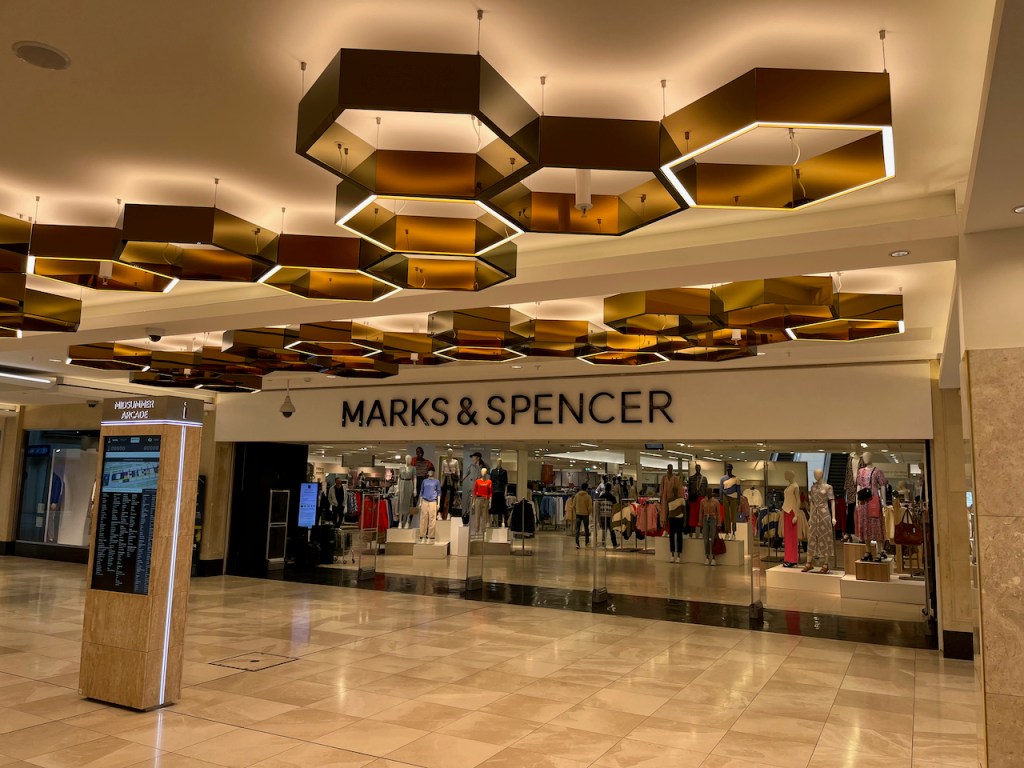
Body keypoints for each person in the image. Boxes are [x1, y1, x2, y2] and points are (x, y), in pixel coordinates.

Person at [660, 464, 685, 562]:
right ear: (667, 469)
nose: (670, 469)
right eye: (668, 468)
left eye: (671, 468)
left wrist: (678, 498)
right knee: (665, 514)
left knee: (671, 515)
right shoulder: (664, 478)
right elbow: (661, 489)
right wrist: (661, 497)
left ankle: (678, 554)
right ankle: (665, 529)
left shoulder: (675, 478)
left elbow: (678, 489)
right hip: (666, 499)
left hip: (673, 500)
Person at [418, 468, 440, 543]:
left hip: (433, 501)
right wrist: (420, 502)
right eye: (429, 471)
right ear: (427, 472)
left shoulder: (437, 481)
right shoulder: (424, 481)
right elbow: (421, 491)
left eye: (432, 471)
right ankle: (422, 536)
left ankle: (430, 536)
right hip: (424, 501)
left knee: (432, 519)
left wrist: (438, 503)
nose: (430, 472)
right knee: (423, 518)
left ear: (433, 472)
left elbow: (439, 493)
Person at [700, 486, 720, 566]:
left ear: (711, 492)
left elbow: (718, 513)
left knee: (713, 538)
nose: (708, 493)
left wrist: (718, 523)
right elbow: (700, 512)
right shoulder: (702, 501)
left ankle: (714, 557)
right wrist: (700, 522)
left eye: (709, 491)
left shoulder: (716, 502)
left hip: (713, 519)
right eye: (707, 491)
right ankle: (707, 557)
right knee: (705, 539)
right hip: (705, 519)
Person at [573, 482, 593, 549]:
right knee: (586, 528)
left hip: (578, 514)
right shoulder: (588, 496)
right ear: (586, 488)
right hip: (585, 514)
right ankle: (587, 542)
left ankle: (577, 543)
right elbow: (590, 507)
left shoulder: (576, 495)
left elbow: (573, 506)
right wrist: (589, 513)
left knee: (577, 529)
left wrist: (576, 511)